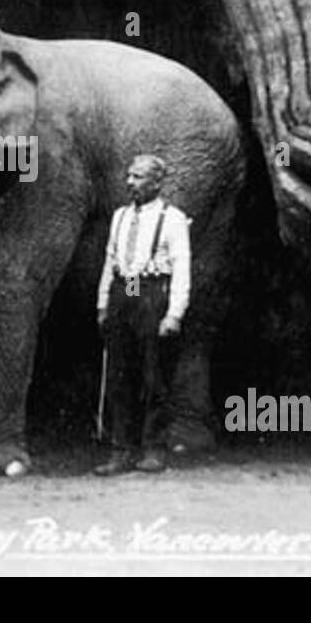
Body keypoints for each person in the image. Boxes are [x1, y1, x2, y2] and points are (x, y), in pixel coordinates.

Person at [94, 154, 192, 475]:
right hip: (124, 291)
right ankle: (121, 450)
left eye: (137, 177)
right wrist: (103, 304)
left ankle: (153, 448)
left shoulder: (173, 218)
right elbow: (110, 260)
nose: (129, 183)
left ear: (156, 182)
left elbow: (182, 269)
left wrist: (174, 314)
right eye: (129, 176)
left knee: (153, 376)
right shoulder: (120, 216)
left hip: (152, 295)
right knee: (119, 376)